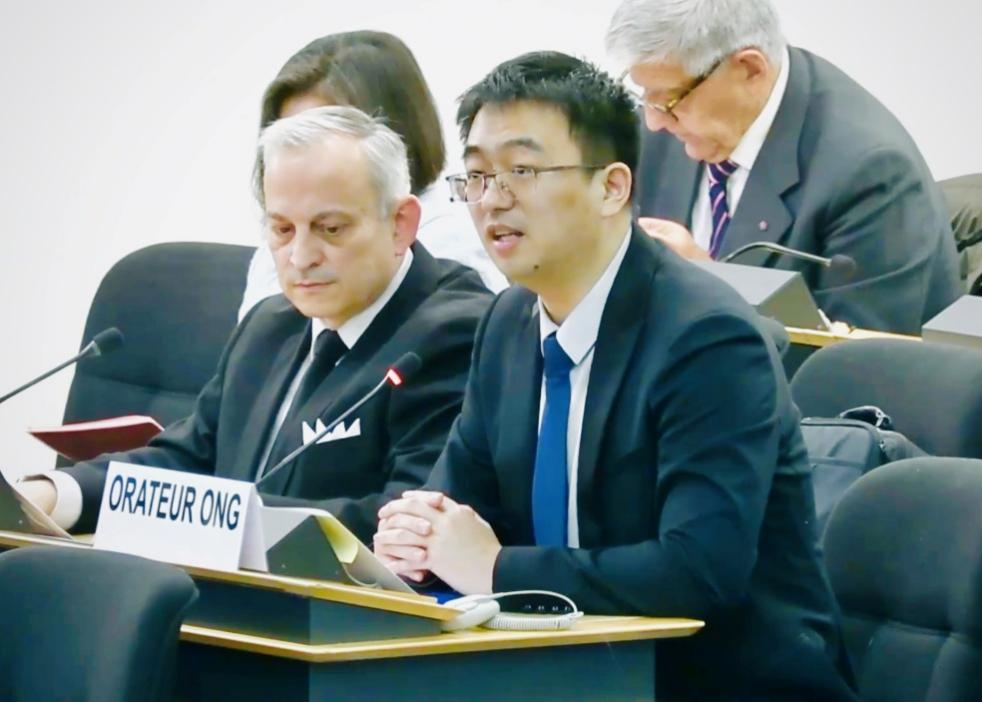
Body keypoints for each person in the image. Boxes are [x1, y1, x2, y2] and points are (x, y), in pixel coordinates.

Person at [373, 52, 857, 700]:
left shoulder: (708, 339)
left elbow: (698, 572)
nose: (493, 200)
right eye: (479, 175)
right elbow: (454, 505)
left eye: (523, 171)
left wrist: (494, 569)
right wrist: (414, 538)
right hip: (563, 672)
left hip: (717, 683)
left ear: (612, 187)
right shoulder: (508, 323)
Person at [18, 107, 492, 543]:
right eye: (282, 229)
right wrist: (55, 494)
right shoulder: (269, 325)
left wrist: (218, 516)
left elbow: (406, 522)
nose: (300, 257)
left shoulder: (455, 334)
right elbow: (188, 458)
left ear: (400, 223)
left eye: (330, 229)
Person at [605, 0, 960, 335]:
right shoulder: (675, 125)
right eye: (644, 95)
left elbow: (853, 366)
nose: (653, 121)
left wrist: (705, 285)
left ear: (750, 69)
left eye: (670, 100)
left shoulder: (870, 173)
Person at [239, 30, 507, 319]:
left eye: (329, 134)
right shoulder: (277, 249)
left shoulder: (450, 242)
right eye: (290, 138)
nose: (300, 258)